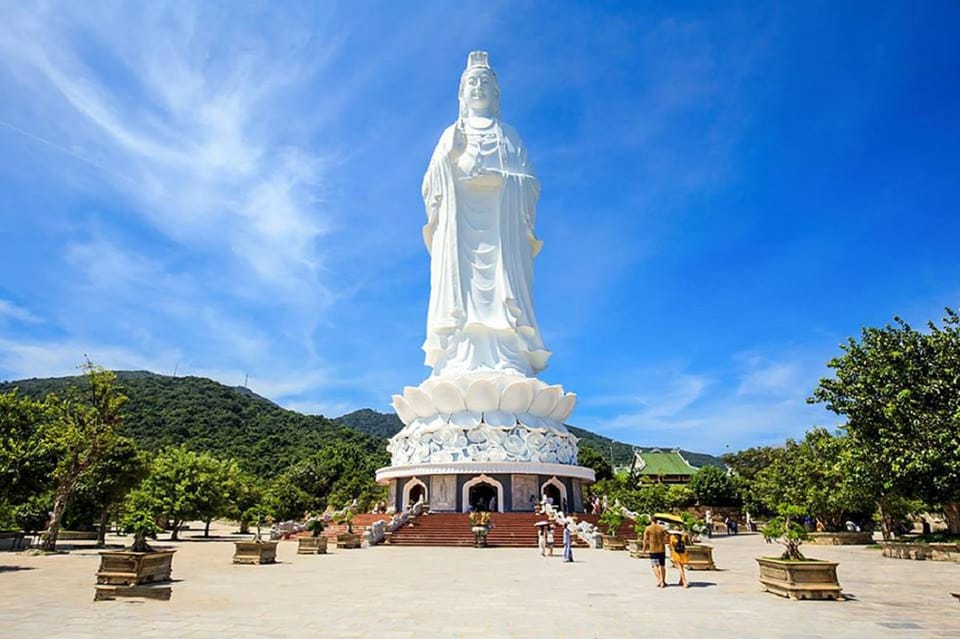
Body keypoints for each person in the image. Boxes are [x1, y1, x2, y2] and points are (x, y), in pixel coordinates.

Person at [421, 50, 549, 377]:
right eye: (472, 82)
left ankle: (510, 358)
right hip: (459, 232)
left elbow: (531, 184)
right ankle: (458, 358)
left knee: (504, 298)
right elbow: (429, 187)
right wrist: (448, 161)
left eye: (484, 82)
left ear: (495, 92)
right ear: (462, 93)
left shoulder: (509, 136)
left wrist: (504, 184)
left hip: (501, 233)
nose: (478, 88)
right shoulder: (450, 135)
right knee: (460, 303)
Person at [642, 518, 669, 588]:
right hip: (661, 549)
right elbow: (667, 536)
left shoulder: (648, 528)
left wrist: (644, 549)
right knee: (662, 565)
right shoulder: (662, 528)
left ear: (651, 520)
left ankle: (659, 580)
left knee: (654, 565)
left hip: (653, 549)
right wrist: (664, 540)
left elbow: (645, 539)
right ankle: (663, 581)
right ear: (657, 521)